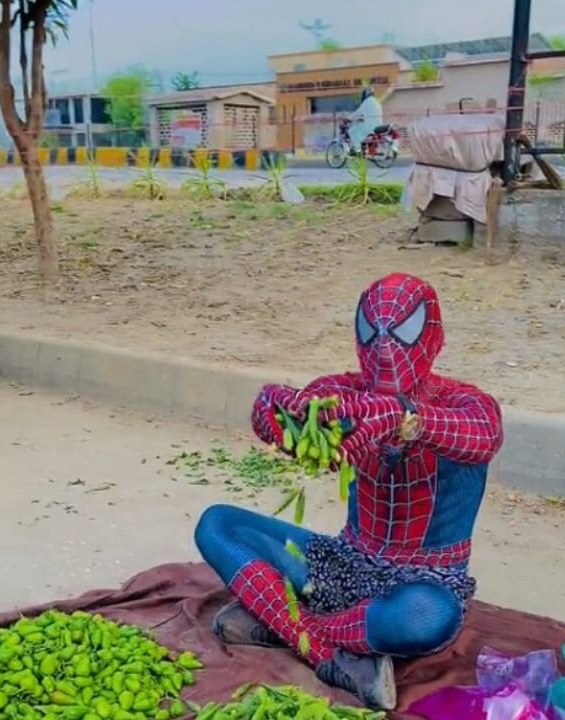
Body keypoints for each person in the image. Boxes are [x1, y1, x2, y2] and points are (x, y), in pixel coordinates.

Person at [194, 273, 504, 710]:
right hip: (339, 564)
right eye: (370, 330)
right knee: (218, 524)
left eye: (403, 332)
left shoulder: (467, 406)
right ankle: (329, 652)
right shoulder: (345, 396)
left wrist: (403, 418)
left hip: (422, 580)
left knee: (427, 618)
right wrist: (274, 412)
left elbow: (483, 436)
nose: (384, 347)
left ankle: (279, 620)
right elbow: (296, 408)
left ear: (433, 337)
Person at [347, 87, 383, 154]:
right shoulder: (377, 101)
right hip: (378, 125)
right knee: (358, 129)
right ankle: (365, 148)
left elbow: (358, 112)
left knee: (352, 131)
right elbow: (367, 113)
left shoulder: (367, 102)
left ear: (366, 94)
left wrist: (349, 118)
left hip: (369, 126)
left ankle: (358, 150)